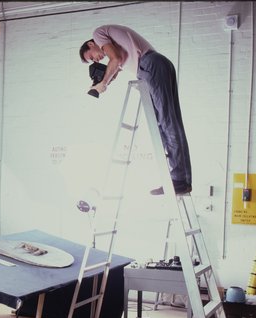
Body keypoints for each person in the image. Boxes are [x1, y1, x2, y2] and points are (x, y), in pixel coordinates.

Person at [79, 25, 192, 195]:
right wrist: (101, 83)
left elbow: (115, 60)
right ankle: (178, 179)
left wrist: (102, 84)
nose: (96, 60)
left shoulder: (98, 34)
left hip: (151, 65)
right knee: (166, 123)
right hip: (156, 64)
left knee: (166, 123)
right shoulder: (113, 44)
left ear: (90, 44)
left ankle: (179, 180)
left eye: (92, 57)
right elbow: (115, 68)